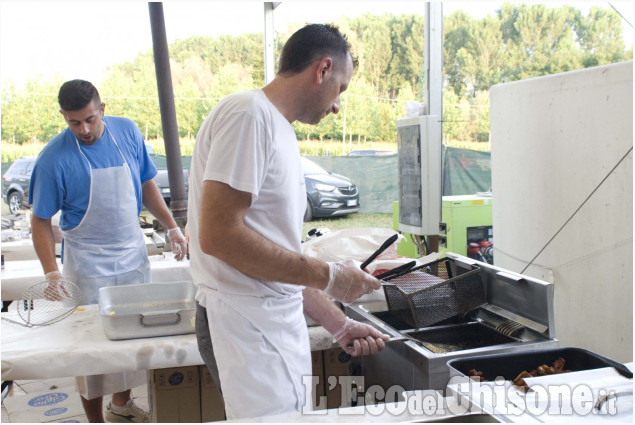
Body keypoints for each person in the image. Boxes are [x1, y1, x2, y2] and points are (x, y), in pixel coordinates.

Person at [187, 23, 390, 420]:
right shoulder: (248, 115)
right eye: (341, 89)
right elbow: (218, 235)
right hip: (242, 323)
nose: (336, 106)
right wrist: (331, 275)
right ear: (323, 70)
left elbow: (277, 254)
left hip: (270, 322)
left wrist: (339, 324)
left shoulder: (281, 131)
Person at [29, 79, 188, 423]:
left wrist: (172, 226)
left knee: (133, 334)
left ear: (103, 109)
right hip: (87, 262)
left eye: (90, 119)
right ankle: (95, 420)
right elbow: (39, 220)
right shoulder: (54, 160)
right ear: (64, 117)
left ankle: (121, 405)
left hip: (131, 250)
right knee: (89, 349)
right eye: (74, 122)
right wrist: (50, 272)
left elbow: (146, 183)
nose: (83, 130)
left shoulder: (127, 132)